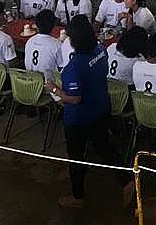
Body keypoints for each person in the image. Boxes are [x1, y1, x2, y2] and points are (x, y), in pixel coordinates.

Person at [46, 15, 133, 208]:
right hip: (101, 106)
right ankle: (126, 180)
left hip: (79, 117)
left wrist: (54, 89)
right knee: (103, 146)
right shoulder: (100, 50)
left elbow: (74, 98)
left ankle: (77, 196)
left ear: (73, 41)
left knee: (76, 155)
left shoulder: (73, 67)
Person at [25, 10, 64, 77]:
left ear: (36, 26)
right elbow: (62, 67)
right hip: (49, 82)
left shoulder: (29, 41)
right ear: (53, 25)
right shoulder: (57, 44)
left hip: (30, 80)